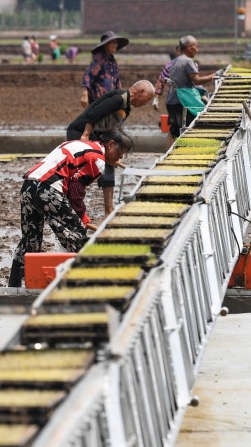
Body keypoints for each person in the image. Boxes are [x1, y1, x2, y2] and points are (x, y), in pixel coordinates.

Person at [8, 128, 134, 287]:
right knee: (77, 234)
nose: (120, 158)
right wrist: (83, 217)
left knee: (30, 241)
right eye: (120, 152)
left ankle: (13, 286)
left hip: (29, 187)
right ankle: (84, 284)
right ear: (110, 145)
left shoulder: (82, 145)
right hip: (47, 189)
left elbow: (71, 185)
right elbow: (75, 190)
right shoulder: (97, 158)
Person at [66, 80, 154, 217]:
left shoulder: (126, 107)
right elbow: (95, 112)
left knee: (108, 167)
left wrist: (114, 153)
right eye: (147, 99)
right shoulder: (119, 99)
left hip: (97, 135)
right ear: (141, 92)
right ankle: (72, 205)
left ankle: (109, 210)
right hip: (80, 132)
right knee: (78, 173)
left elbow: (112, 128)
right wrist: (85, 135)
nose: (146, 103)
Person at [165, 34, 217, 138]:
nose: (197, 50)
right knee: (192, 128)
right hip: (184, 100)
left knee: (176, 131)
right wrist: (214, 76)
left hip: (172, 100)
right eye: (196, 46)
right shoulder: (188, 61)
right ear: (189, 47)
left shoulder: (175, 61)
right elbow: (197, 81)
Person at [80, 31, 128, 108]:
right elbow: (88, 75)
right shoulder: (100, 58)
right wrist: (84, 94)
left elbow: (117, 81)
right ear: (106, 44)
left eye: (116, 42)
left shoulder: (113, 62)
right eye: (113, 42)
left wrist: (122, 97)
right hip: (98, 100)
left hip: (109, 99)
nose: (115, 45)